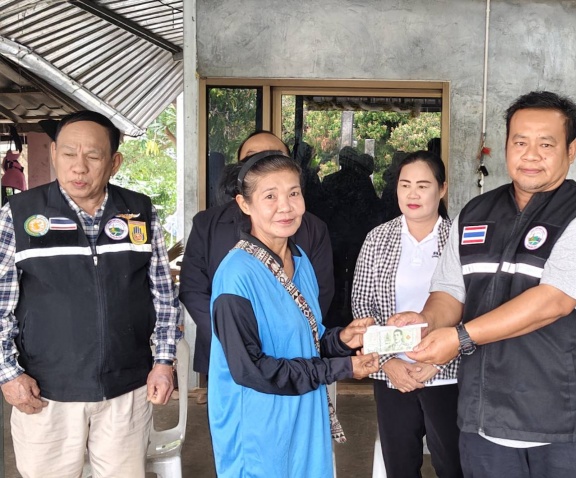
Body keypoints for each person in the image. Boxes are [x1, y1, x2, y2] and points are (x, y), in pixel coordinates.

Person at [390, 91, 576, 478]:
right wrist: (426, 321)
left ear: (571, 150)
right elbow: (450, 291)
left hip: (565, 424)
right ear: (506, 147)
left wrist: (460, 337)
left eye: (546, 144)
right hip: (486, 421)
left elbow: (553, 302)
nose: (530, 155)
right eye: (520, 142)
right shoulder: (475, 213)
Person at [0, 110, 182, 477]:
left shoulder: (140, 213)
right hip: (45, 392)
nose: (79, 167)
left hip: (126, 391)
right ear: (54, 154)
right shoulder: (19, 215)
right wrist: (8, 374)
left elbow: (164, 297)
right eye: (69, 153)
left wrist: (164, 362)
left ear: (114, 163)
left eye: (93, 156)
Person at [208, 151, 379, 477]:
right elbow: (251, 370)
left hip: (304, 415)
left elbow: (307, 339)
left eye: (294, 193)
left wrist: (342, 340)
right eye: (270, 196)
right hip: (260, 428)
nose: (285, 207)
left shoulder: (300, 262)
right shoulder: (236, 276)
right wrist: (342, 367)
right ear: (245, 204)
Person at [180, 130, 334, 380]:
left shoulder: (310, 233)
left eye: (274, 156)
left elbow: (321, 291)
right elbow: (193, 289)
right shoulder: (208, 225)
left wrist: (297, 335)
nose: (264, 163)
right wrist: (229, 337)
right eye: (253, 157)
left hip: (298, 355)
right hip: (226, 353)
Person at [352, 150, 462, 478]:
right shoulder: (378, 238)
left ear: (442, 189)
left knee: (453, 465)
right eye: (405, 185)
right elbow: (362, 306)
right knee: (400, 465)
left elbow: (474, 306)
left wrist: (438, 362)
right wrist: (388, 361)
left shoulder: (458, 239)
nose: (412, 194)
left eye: (423, 186)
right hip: (393, 375)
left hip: (447, 374)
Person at [322, 147, 384, 328]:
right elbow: (373, 208)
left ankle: (336, 311)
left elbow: (324, 209)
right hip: (356, 234)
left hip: (337, 235)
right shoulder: (362, 181)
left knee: (337, 274)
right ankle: (348, 310)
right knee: (356, 275)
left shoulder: (330, 180)